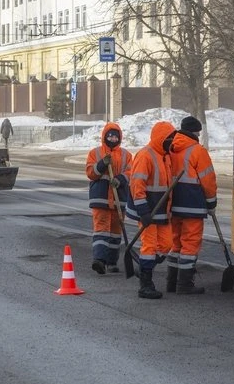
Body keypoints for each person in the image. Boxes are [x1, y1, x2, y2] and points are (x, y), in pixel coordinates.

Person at [165, 116, 217, 295]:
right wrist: (211, 202)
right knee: (190, 243)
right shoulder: (197, 151)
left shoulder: (170, 148)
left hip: (173, 203)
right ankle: (185, 284)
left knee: (176, 244)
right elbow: (208, 179)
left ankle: (171, 282)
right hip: (193, 203)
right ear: (196, 132)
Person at [125, 121, 176, 299]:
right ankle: (145, 284)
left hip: (161, 210)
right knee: (149, 246)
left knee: (167, 244)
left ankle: (144, 268)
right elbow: (136, 184)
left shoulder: (166, 156)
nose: (172, 142)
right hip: (148, 209)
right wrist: (143, 211)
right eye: (169, 139)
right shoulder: (145, 155)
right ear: (161, 138)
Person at [85, 123, 133, 275]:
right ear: (104, 136)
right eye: (110, 136)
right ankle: (99, 260)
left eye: (115, 136)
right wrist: (102, 164)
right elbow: (91, 173)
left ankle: (112, 262)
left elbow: (132, 172)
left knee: (115, 232)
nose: (113, 138)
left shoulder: (126, 155)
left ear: (120, 138)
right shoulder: (96, 153)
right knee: (101, 231)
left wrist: (120, 179)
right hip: (101, 199)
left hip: (119, 199)